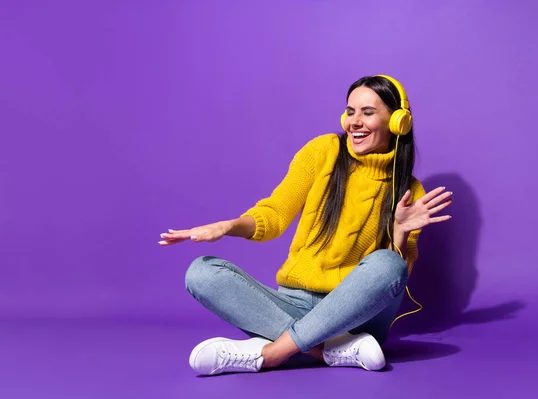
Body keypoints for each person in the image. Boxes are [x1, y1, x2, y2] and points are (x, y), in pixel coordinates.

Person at [158, 74, 453, 376]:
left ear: (397, 122)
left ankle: (271, 353)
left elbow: (389, 282)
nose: (355, 122)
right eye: (350, 112)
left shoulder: (410, 192)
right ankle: (327, 352)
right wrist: (228, 226)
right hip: (292, 303)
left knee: (389, 264)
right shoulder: (322, 152)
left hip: (355, 318)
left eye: (368, 112)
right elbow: (274, 214)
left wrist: (400, 234)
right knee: (202, 273)